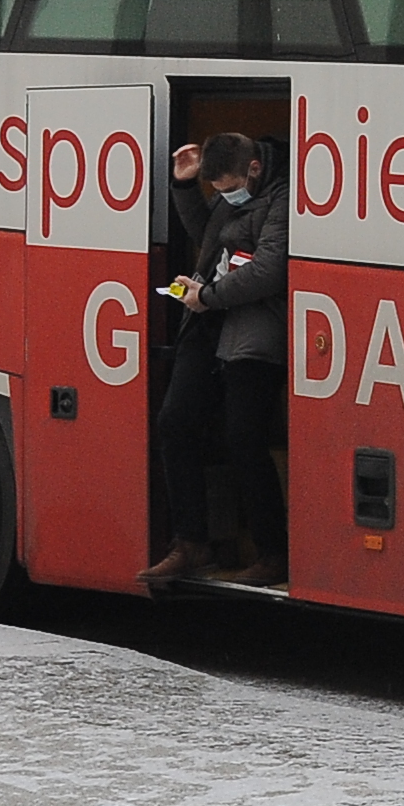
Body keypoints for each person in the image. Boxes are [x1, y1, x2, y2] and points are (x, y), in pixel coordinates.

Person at [147, 132, 289, 588]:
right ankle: (191, 542)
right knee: (175, 421)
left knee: (243, 436)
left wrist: (207, 295)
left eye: (229, 187)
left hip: (251, 329)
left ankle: (271, 551)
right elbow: (209, 242)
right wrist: (185, 188)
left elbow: (269, 270)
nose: (226, 197)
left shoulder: (282, 199)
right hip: (208, 324)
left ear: (253, 168)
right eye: (219, 191)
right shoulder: (233, 195)